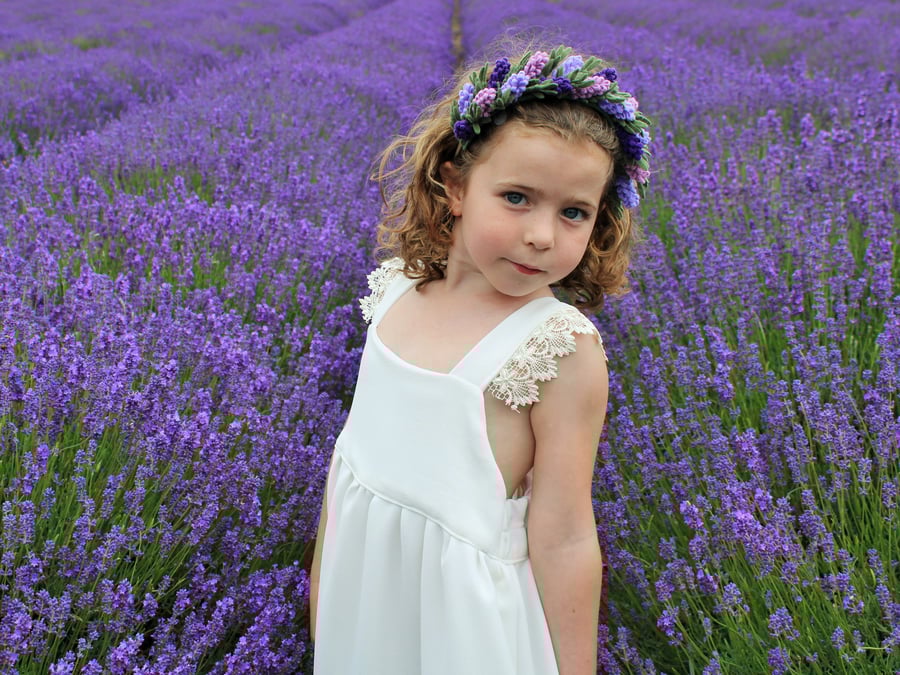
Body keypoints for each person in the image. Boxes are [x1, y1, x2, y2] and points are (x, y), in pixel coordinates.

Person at [309, 45, 652, 675]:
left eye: (573, 212)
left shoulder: (558, 350)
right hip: (368, 602)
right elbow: (349, 470)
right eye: (517, 197)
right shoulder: (396, 293)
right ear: (457, 186)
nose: (541, 235)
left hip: (468, 631)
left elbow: (566, 536)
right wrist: (325, 608)